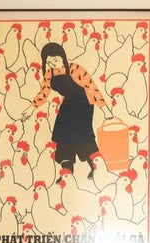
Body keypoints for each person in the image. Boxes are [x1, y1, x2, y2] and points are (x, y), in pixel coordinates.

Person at [22, 42, 113, 179]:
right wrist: (30, 109)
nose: (53, 64)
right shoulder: (49, 74)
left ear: (62, 56)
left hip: (83, 104)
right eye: (49, 62)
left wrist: (105, 109)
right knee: (62, 132)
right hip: (68, 104)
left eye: (55, 60)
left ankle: (95, 165)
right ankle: (67, 169)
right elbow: (43, 93)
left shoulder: (74, 69)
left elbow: (91, 87)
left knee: (82, 133)